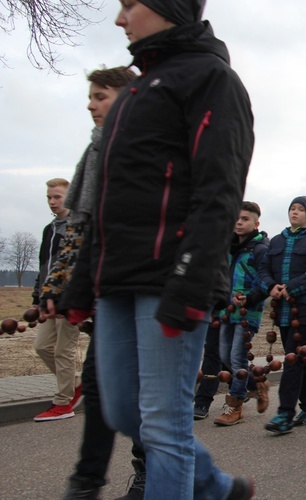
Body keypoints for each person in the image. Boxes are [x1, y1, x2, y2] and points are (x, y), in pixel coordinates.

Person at [62, 1, 256, 497]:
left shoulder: (211, 79)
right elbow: (105, 202)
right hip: (116, 279)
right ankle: (214, 485)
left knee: (165, 426)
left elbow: (220, 190)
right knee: (122, 410)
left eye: (129, 4)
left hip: (171, 277)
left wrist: (191, 281)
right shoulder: (132, 94)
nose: (119, 18)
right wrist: (82, 282)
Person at [38, 67, 149, 500]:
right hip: (107, 292)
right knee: (101, 390)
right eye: (90, 96)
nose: (90, 104)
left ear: (127, 97)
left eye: (100, 96)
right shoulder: (94, 152)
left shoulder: (144, 147)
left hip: (144, 291)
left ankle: (154, 475)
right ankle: (86, 484)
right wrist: (57, 287)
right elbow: (80, 230)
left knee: (141, 399)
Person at [260, 196, 306, 434]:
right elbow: (264, 269)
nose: (295, 212)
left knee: (291, 356)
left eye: (301, 209)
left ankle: (285, 414)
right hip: (282, 310)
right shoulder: (277, 240)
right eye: (292, 208)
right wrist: (271, 286)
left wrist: (292, 287)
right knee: (298, 359)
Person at [213, 202, 270, 426]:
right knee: (224, 355)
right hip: (226, 310)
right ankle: (256, 385)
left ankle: (234, 407)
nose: (239, 222)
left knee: (237, 358)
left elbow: (265, 280)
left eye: (245, 219)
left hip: (249, 311)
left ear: (256, 223)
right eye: (237, 218)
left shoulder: (260, 249)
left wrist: (250, 297)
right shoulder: (228, 247)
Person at [32, 178, 82, 422]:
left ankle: (63, 402)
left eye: (57, 197)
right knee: (42, 346)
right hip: (47, 299)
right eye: (49, 198)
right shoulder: (49, 229)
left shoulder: (79, 226)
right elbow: (44, 267)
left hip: (69, 301)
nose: (52, 202)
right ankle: (76, 383)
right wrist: (37, 297)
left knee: (64, 351)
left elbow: (78, 266)